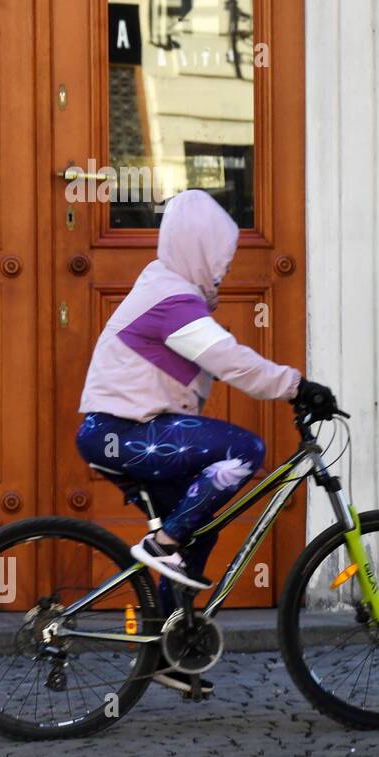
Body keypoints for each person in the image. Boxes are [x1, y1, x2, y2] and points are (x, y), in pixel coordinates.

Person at [75, 190, 334, 693]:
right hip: (120, 433)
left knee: (200, 525)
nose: (225, 270)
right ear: (199, 249)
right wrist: (298, 386)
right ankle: (162, 543)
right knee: (245, 451)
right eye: (222, 258)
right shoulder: (170, 299)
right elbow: (230, 361)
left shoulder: (171, 291)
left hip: (125, 431)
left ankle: (166, 650)